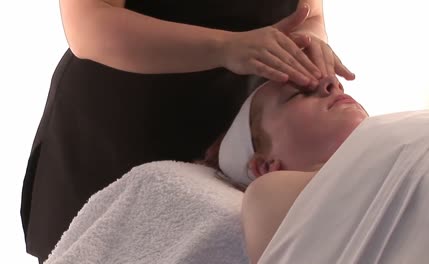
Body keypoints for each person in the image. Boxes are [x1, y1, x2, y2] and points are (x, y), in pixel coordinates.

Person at [21, 0, 355, 262]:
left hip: (228, 131)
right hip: (113, 130)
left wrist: (310, 45)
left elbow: (309, 15)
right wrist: (224, 48)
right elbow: (89, 24)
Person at [211, 79, 429, 263]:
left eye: (336, 83)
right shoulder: (266, 195)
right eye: (299, 93)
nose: (331, 85)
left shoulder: (412, 130)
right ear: (264, 165)